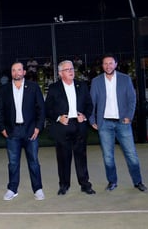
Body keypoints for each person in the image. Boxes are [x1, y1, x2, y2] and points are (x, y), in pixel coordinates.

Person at [89, 54, 147, 192]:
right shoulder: (96, 81)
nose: (108, 66)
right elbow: (91, 103)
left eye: (110, 63)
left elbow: (132, 100)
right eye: (105, 63)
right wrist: (92, 120)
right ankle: (112, 181)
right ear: (102, 66)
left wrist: (129, 116)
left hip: (123, 123)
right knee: (108, 156)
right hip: (104, 124)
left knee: (131, 154)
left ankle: (138, 182)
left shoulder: (125, 79)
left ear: (116, 64)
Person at [0, 62, 45, 201]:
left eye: (19, 70)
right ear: (11, 73)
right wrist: (2, 128)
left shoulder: (34, 87)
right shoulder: (5, 89)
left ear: (24, 72)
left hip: (30, 130)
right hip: (12, 132)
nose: (16, 72)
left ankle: (38, 189)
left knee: (34, 161)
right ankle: (12, 189)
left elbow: (41, 109)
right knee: (12, 163)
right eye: (13, 70)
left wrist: (38, 127)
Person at [45, 60, 96, 196]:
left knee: (81, 157)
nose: (71, 71)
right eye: (67, 69)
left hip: (79, 126)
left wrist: (84, 115)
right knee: (63, 158)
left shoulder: (82, 85)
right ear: (61, 73)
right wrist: (58, 117)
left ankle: (85, 185)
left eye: (72, 69)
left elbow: (89, 104)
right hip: (62, 127)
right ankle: (64, 185)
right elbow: (47, 109)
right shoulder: (54, 88)